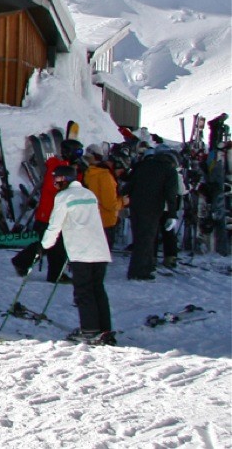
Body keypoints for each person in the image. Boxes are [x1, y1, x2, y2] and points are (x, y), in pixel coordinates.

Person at [40, 163, 114, 344]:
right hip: (100, 250)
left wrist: (45, 245)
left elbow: (55, 223)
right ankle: (104, 328)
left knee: (83, 291)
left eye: (56, 179)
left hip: (82, 251)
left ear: (64, 179)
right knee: (98, 289)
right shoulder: (89, 194)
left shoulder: (64, 196)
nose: (55, 183)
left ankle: (89, 329)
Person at [12, 139, 78, 282]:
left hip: (55, 213)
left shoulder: (64, 167)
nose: (79, 155)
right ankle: (23, 262)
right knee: (49, 244)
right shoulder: (57, 167)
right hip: (48, 214)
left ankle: (53, 273)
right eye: (77, 152)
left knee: (54, 245)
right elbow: (52, 187)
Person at [124, 143, 180, 280]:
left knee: (139, 239)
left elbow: (129, 185)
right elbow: (171, 194)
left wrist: (124, 200)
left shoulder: (143, 165)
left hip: (136, 205)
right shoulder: (169, 171)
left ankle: (145, 267)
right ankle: (140, 272)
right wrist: (172, 214)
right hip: (153, 208)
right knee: (147, 239)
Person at [81, 145, 123, 241]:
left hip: (89, 220)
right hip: (105, 223)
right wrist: (123, 202)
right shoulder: (105, 176)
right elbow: (110, 204)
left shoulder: (87, 173)